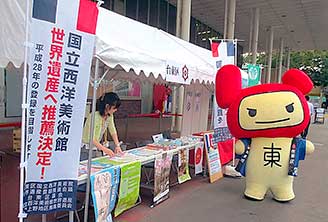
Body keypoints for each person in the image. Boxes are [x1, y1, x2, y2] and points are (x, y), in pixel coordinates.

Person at [83, 92, 123, 157]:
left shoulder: (109, 116)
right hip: (86, 148)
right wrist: (106, 150)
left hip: (96, 147)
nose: (116, 110)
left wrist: (117, 145)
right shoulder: (94, 116)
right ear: (107, 106)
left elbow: (113, 130)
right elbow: (92, 139)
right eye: (114, 108)